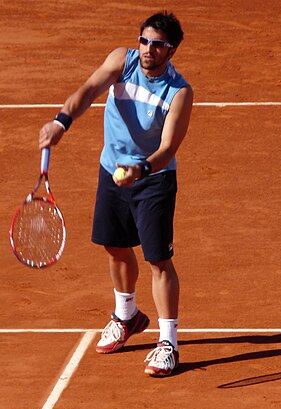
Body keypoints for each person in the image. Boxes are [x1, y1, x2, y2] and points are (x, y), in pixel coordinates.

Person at [39, 12, 193, 377]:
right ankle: (127, 316)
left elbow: (168, 147)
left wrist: (140, 169)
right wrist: (61, 121)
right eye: (144, 41)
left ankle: (168, 341)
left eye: (157, 45)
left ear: (170, 51)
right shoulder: (121, 62)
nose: (147, 50)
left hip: (152, 181)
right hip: (112, 171)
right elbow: (88, 90)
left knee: (158, 260)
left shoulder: (179, 92)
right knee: (114, 246)